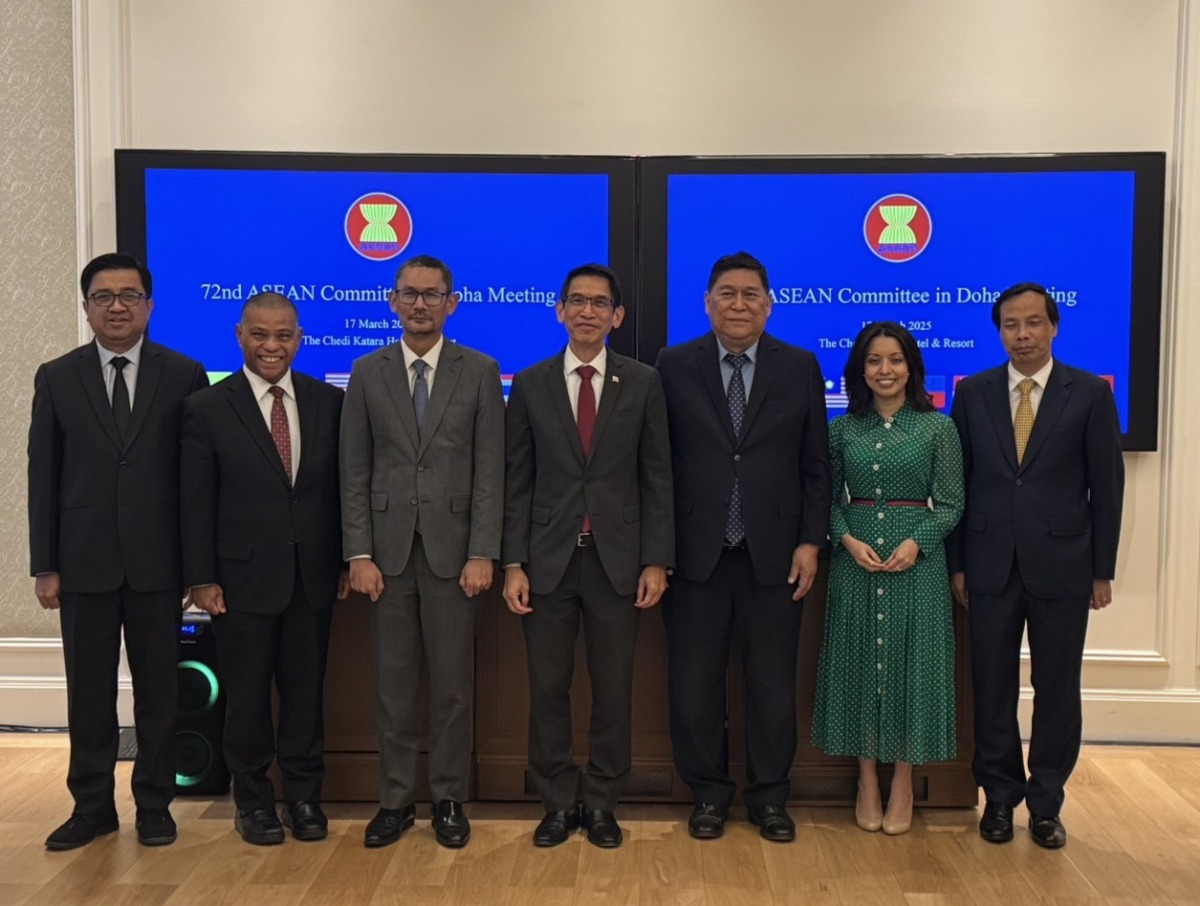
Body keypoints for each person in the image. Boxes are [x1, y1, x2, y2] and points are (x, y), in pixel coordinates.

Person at [28, 253, 209, 850]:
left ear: (150, 306)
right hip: (82, 564)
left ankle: (155, 804)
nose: (116, 306)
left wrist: (196, 567)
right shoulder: (56, 377)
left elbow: (193, 482)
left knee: (160, 692)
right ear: (86, 307)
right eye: (103, 296)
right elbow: (43, 476)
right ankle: (92, 807)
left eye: (129, 295)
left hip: (159, 565)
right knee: (89, 693)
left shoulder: (183, 373)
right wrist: (45, 564)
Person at [655, 251, 831, 842]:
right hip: (695, 554)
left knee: (773, 685)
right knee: (694, 686)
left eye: (751, 294)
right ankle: (707, 795)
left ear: (769, 303)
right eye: (726, 293)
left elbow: (815, 465)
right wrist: (660, 549)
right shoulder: (673, 365)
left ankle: (769, 798)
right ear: (706, 302)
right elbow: (658, 465)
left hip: (776, 557)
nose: (738, 304)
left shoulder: (799, 365)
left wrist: (811, 541)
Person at [502, 264, 674, 849]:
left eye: (600, 303)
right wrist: (512, 563)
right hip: (546, 562)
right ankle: (555, 802)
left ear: (617, 317)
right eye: (576, 301)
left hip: (617, 563)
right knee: (548, 689)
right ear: (559, 310)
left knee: (613, 689)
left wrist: (656, 559)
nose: (587, 312)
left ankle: (601, 802)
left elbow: (658, 477)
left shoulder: (643, 382)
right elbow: (516, 480)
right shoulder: (529, 383)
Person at [948, 281, 1124, 850]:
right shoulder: (972, 393)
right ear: (998, 331)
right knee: (991, 685)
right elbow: (958, 485)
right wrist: (958, 563)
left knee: (1057, 688)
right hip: (989, 564)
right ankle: (999, 797)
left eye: (1032, 324)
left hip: (1065, 566)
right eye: (1010, 325)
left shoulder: (1090, 394)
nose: (1021, 335)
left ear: (1053, 327)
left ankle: (1046, 803)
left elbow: (1108, 487)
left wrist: (1103, 570)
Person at [340, 254, 504, 850]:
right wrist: (357, 551)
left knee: (454, 686)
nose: (420, 304)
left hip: (456, 556)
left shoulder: (480, 370)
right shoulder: (366, 370)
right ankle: (395, 801)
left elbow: (490, 471)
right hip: (384, 558)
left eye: (432, 295)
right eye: (409, 293)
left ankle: (450, 799)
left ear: (450, 303)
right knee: (393, 685)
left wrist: (484, 549)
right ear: (392, 300)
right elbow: (353, 470)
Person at [180, 292, 348, 846]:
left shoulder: (328, 401)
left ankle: (303, 798)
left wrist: (347, 561)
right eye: (259, 334)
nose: (271, 346)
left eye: (283, 335)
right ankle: (253, 803)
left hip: (313, 577)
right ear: (239, 335)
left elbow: (341, 493)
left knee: (306, 696)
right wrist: (201, 578)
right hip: (239, 581)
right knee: (247, 698)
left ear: (299, 338)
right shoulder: (208, 406)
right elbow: (196, 501)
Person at [811, 321, 963, 836]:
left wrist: (917, 541)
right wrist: (846, 540)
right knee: (860, 665)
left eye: (895, 360)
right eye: (874, 361)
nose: (885, 370)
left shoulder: (938, 427)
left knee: (911, 667)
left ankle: (903, 779)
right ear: (860, 369)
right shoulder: (842, 430)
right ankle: (866, 780)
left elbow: (951, 503)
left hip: (917, 561)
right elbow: (827, 500)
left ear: (911, 367)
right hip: (856, 560)